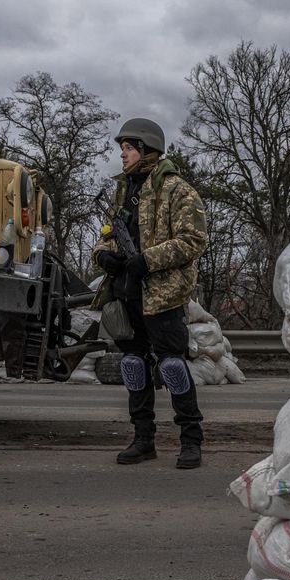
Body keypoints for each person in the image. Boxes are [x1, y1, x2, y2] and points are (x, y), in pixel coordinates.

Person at [91, 117, 209, 468]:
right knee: (133, 365)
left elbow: (193, 241)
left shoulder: (177, 190)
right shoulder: (121, 190)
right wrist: (103, 256)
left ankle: (191, 441)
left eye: (128, 148)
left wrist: (148, 260)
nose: (122, 155)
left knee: (173, 365)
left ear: (147, 150)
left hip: (162, 295)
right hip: (127, 294)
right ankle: (143, 440)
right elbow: (106, 234)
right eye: (122, 149)